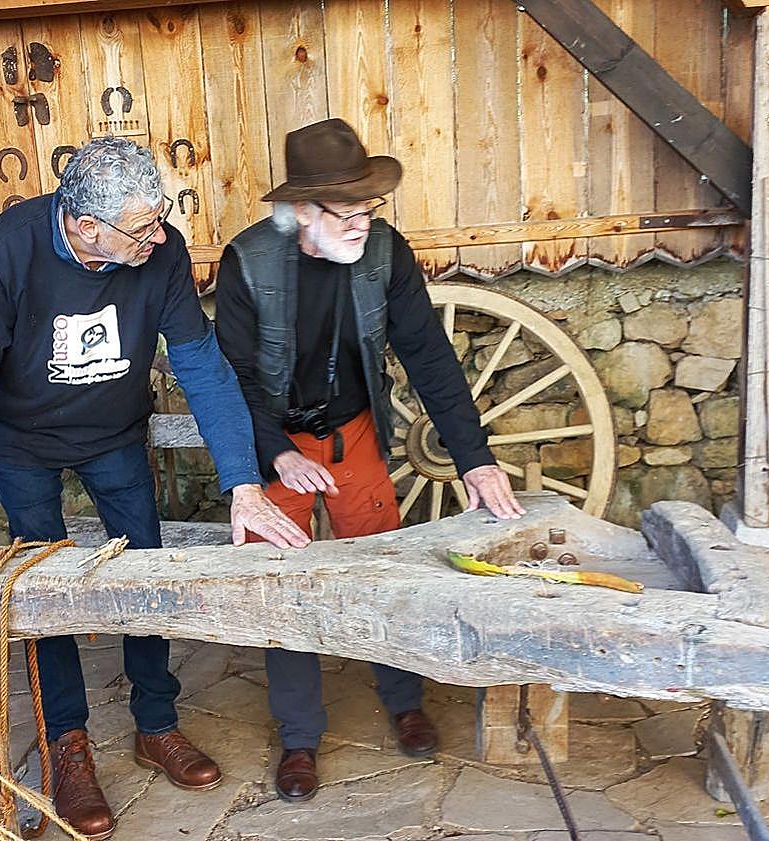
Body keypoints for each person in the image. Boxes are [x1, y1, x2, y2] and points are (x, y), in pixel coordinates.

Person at [0, 137, 309, 841]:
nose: (159, 234)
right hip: (22, 442)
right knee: (45, 586)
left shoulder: (161, 252)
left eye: (160, 217)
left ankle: (157, 722)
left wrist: (244, 481)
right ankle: (68, 744)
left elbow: (203, 367)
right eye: (141, 225)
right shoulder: (11, 251)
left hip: (115, 433)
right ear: (85, 225)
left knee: (143, 568)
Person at [214, 118, 525, 803]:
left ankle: (404, 696)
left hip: (352, 432)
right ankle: (299, 736)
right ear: (301, 211)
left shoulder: (385, 253)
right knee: (280, 582)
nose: (360, 222)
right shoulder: (246, 262)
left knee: (384, 564)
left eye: (367, 207)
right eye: (344, 210)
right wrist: (275, 452)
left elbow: (429, 357)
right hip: (275, 444)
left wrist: (474, 458)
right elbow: (230, 378)